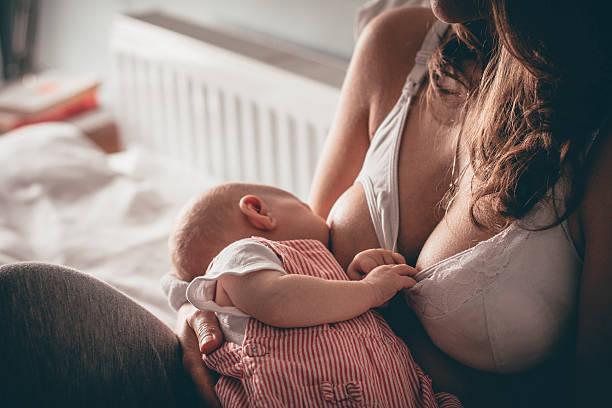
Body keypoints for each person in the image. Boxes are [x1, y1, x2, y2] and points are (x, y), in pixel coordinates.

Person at [0, 1, 609, 407]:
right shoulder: (399, 43)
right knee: (26, 312)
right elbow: (293, 253)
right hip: (257, 384)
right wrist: (208, 312)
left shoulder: (596, 142)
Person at [167, 181, 461, 407]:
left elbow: (320, 310)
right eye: (305, 206)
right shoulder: (241, 256)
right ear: (259, 212)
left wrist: (351, 279)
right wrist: (369, 290)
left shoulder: (300, 274)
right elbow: (280, 302)